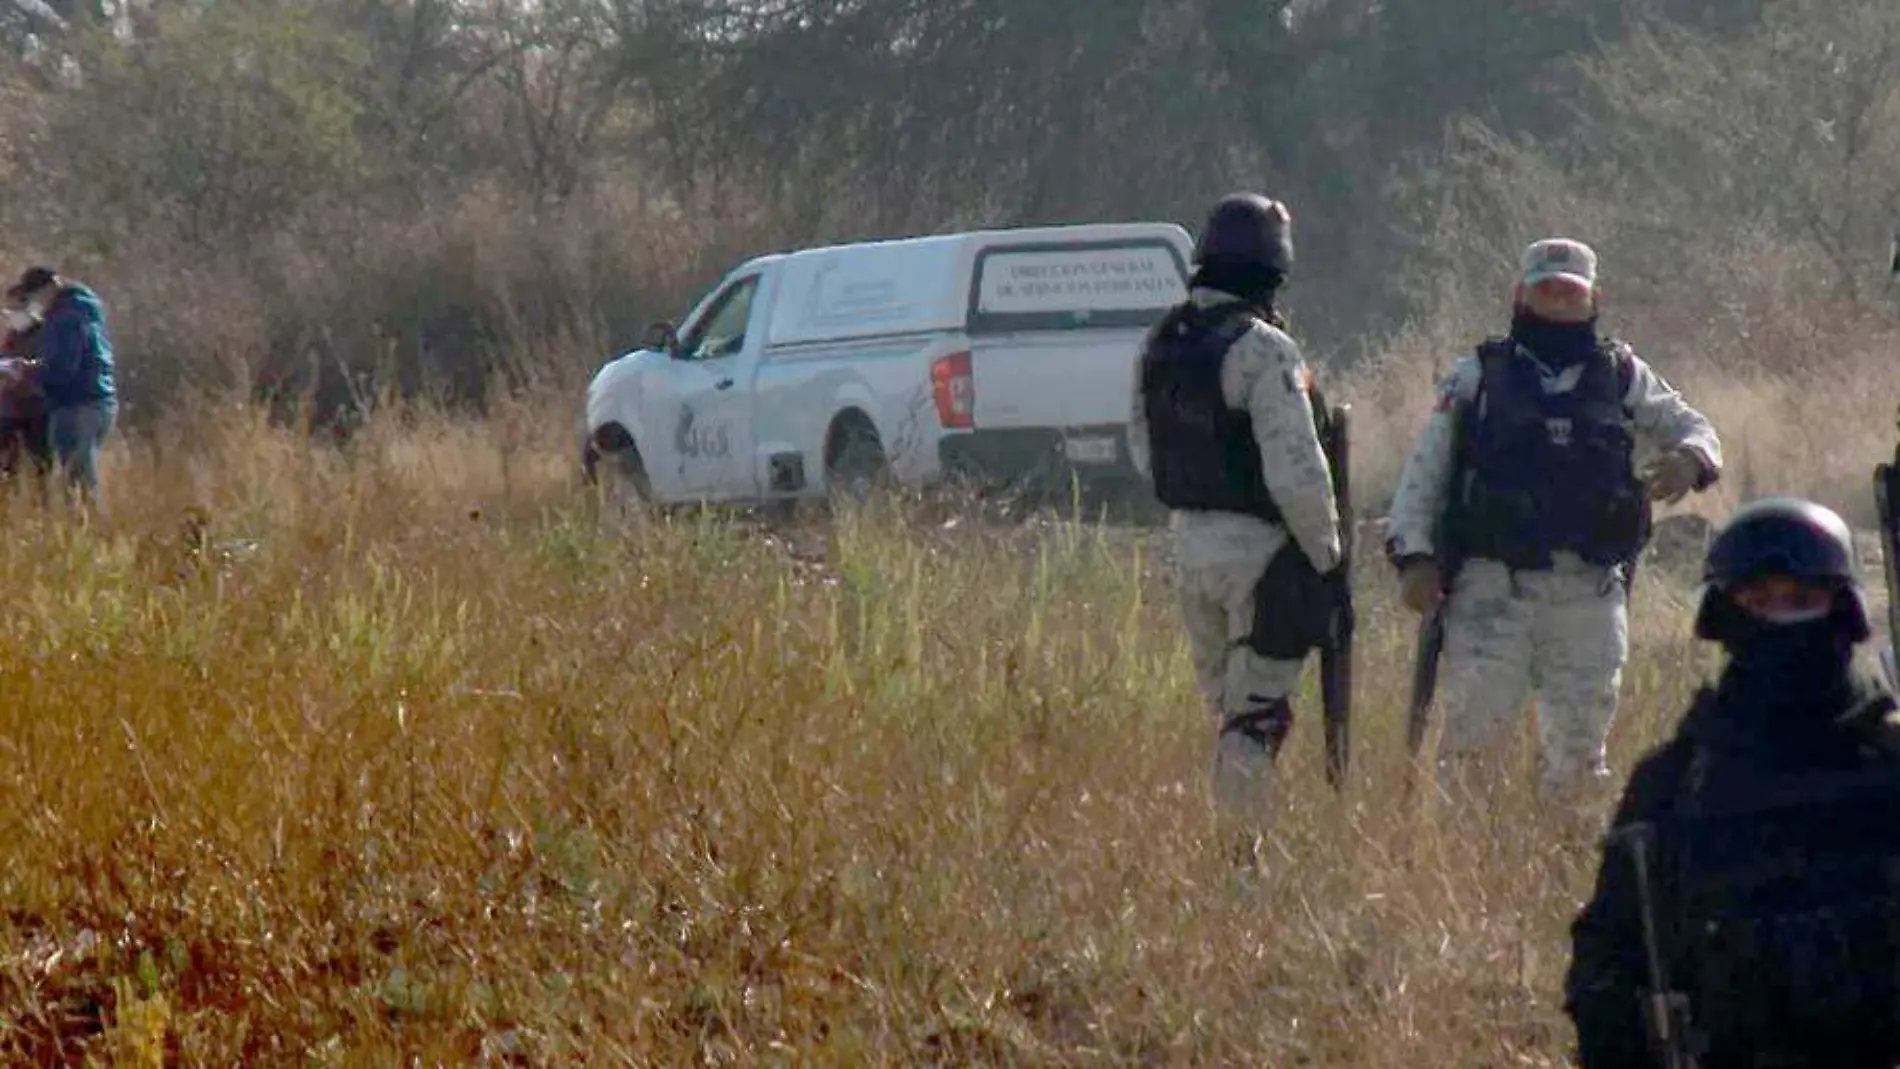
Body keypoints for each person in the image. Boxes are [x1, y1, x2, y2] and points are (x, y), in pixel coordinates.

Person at [1564, 496, 1900, 1069]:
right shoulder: (1674, 783)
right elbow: (1608, 966)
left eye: (1801, 600)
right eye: (1758, 600)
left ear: (1841, 609)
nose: (1780, 616)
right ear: (1725, 615)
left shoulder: (1889, 764)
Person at [1385, 237, 1722, 796]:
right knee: (1468, 756)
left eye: (1570, 293)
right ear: (1521, 294)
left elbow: (1696, 429)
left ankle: (1569, 872)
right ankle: (1461, 876)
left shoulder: (1622, 373)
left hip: (1588, 595)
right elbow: (1426, 471)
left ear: (1592, 300)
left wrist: (1690, 460)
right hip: (1493, 592)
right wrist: (1414, 558)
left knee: (1580, 763)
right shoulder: (1478, 375)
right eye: (1546, 290)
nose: (1558, 302)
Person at [1127, 192, 1343, 831]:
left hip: (1188, 545)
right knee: (1256, 720)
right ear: (1273, 272)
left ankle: (1234, 850)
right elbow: (1297, 472)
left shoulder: (1160, 341)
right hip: (1262, 553)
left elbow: (1145, 450)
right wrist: (1328, 558)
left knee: (1230, 711)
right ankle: (1238, 860)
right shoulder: (1265, 348)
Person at [13, 266, 116, 511]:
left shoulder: (66, 318)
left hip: (77, 403)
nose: (31, 303)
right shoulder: (82, 310)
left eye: (32, 296)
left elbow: (62, 368)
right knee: (78, 476)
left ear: (48, 289)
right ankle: (86, 530)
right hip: (94, 400)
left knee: (80, 481)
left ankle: (90, 534)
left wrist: (27, 372)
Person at [0, 283, 51, 493]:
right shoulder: (13, 335)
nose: (11, 314)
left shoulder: (48, 332)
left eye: (16, 308)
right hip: (10, 409)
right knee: (7, 466)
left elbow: (52, 364)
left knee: (41, 466)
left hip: (38, 408)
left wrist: (25, 369)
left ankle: (42, 509)